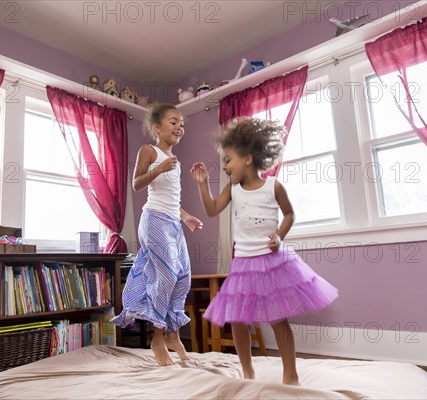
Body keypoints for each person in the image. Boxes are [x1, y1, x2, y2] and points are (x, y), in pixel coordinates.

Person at [190, 118, 338, 383]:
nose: (224, 166)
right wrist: (202, 184)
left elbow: (290, 214)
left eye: (227, 160)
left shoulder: (274, 187)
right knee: (236, 319)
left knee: (277, 318)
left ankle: (290, 373)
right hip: (243, 264)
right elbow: (212, 210)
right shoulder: (233, 189)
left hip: (272, 263)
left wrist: (278, 237)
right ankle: (247, 371)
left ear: (247, 158)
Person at [111, 103, 203, 366]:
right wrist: (159, 169)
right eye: (173, 122)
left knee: (183, 277)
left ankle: (173, 334)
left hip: (173, 222)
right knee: (168, 274)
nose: (179, 127)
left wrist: (186, 217)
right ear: (157, 127)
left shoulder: (176, 160)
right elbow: (138, 183)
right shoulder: (148, 150)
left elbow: (171, 199)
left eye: (182, 123)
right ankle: (157, 337)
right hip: (153, 220)